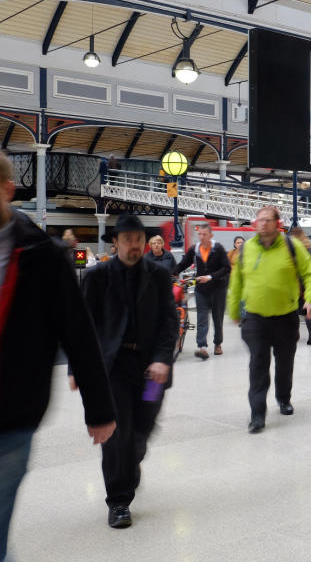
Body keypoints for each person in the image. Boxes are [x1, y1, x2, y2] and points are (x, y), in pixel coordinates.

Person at [0, 151, 116, 557]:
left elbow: (79, 332)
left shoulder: (44, 256)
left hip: (10, 416)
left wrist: (99, 409)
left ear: (8, 190)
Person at [76, 214, 177, 529]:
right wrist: (80, 368)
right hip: (114, 368)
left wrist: (162, 358)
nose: (134, 245)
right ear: (116, 243)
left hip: (151, 372)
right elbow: (83, 327)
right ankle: (119, 501)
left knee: (141, 430)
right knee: (117, 435)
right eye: (128, 239)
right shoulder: (97, 277)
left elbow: (169, 323)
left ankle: (131, 465)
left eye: (139, 240)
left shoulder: (159, 276)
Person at [227, 206, 311, 434]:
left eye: (268, 220)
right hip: (255, 318)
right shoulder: (247, 248)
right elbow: (237, 279)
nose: (263, 224)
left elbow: (310, 273)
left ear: (277, 223)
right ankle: (257, 414)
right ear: (255, 223)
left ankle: (283, 398)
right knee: (258, 364)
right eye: (260, 220)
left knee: (284, 361)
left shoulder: (292, 245)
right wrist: (234, 310)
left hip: (285, 317)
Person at [172, 222, 231, 359]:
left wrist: (210, 277)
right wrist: (172, 273)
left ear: (211, 235)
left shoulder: (218, 248)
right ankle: (202, 347)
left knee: (218, 318)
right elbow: (183, 264)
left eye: (205, 234)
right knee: (202, 318)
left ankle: (217, 344)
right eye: (200, 234)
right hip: (201, 290)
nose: (202, 237)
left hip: (217, 289)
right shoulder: (195, 249)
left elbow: (227, 268)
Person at [290, 226, 311, 346]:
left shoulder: (293, 247)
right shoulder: (309, 246)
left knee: (295, 310)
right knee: (309, 310)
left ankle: (295, 335)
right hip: (308, 282)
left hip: (296, 281)